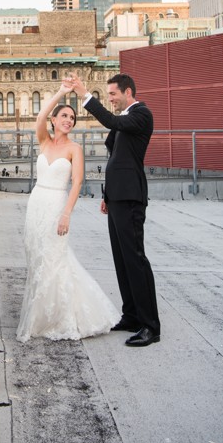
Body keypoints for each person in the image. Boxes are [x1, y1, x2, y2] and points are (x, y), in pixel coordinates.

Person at [15, 78, 118, 342]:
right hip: (37, 204)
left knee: (54, 259)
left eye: (72, 117)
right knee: (37, 256)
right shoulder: (45, 141)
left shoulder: (75, 149)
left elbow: (78, 183)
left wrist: (66, 214)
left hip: (56, 205)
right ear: (54, 120)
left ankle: (61, 317)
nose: (68, 120)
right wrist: (61, 91)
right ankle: (40, 315)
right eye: (64, 115)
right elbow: (39, 115)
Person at [69, 72, 161, 348]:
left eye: (112, 95)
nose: (110, 99)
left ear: (128, 92)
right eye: (107, 95)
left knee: (135, 259)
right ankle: (131, 315)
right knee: (121, 259)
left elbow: (111, 121)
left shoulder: (142, 114)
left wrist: (85, 94)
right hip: (118, 196)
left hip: (132, 196)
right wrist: (107, 195)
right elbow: (116, 157)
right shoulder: (126, 120)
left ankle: (150, 326)